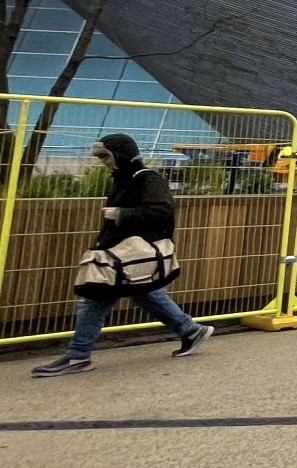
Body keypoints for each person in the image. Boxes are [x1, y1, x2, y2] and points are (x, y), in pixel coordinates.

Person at [32, 134, 213, 377]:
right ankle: (189, 330)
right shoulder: (131, 178)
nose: (103, 161)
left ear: (121, 155)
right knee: (142, 293)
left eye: (106, 156)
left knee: (94, 296)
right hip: (126, 254)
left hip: (125, 253)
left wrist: (120, 214)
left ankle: (78, 355)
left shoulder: (144, 179)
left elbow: (161, 210)